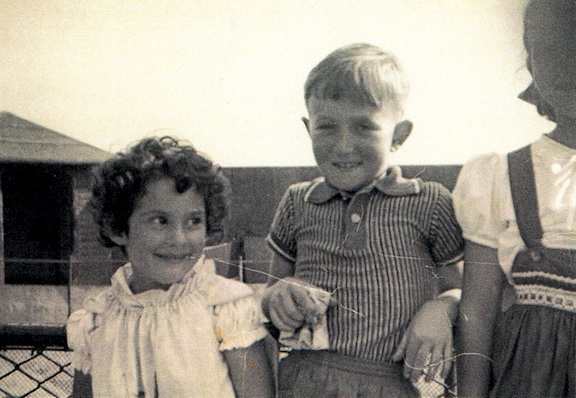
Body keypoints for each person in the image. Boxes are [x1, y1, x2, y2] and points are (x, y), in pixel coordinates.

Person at [261, 43, 465, 397]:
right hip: (304, 383)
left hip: (395, 384)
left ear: (399, 135)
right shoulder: (297, 201)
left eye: (364, 128)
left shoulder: (429, 201)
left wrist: (441, 308)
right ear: (309, 128)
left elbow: (464, 290)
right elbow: (271, 290)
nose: (343, 146)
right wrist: (277, 296)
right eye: (326, 127)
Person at [66, 136, 274, 397]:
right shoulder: (97, 319)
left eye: (194, 221)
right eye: (159, 221)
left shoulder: (226, 309)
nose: (179, 239)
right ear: (118, 229)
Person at [454, 0, 576, 396]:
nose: (570, 61)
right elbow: (479, 313)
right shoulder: (499, 176)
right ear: (530, 56)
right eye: (554, 45)